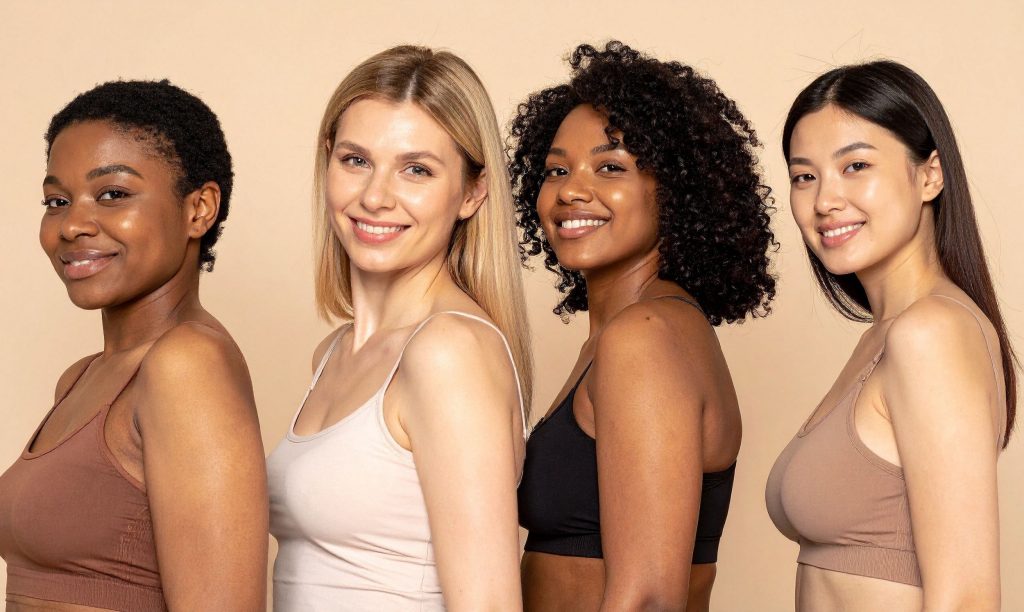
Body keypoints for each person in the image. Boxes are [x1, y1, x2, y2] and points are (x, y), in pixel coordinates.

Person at [510, 42, 776, 611]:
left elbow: (652, 597)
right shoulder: (632, 332)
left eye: (611, 167)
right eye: (557, 169)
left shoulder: (646, 337)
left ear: (675, 192)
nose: (571, 189)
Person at [267, 46, 533, 611]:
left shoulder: (448, 351)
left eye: (417, 169)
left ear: (472, 192)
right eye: (356, 160)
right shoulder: (333, 352)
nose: (375, 197)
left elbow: (487, 604)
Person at [0, 80, 268, 611]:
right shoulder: (82, 377)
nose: (73, 224)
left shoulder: (187, 366)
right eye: (57, 200)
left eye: (113, 194)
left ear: (199, 210)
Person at [765, 60, 1016, 611]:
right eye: (804, 175)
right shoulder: (888, 334)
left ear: (930, 174)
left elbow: (969, 598)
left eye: (855, 165)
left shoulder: (933, 333)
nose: (825, 199)